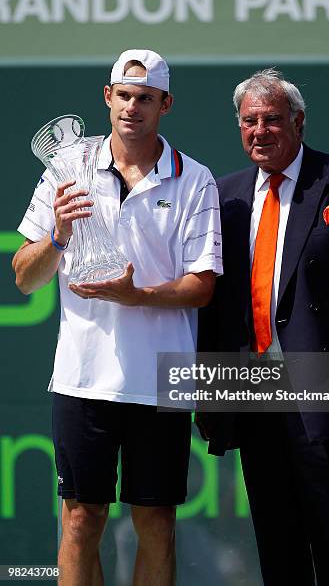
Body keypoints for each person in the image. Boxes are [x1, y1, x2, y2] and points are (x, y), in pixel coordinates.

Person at [13, 48, 222, 586]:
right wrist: (58, 236)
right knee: (82, 519)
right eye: (124, 96)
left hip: (161, 381)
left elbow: (202, 287)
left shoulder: (195, 179)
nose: (133, 107)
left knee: (156, 521)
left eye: (145, 99)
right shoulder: (66, 169)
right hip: (83, 378)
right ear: (108, 98)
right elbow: (25, 275)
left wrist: (136, 296)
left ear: (165, 105)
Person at [197, 68, 329, 586]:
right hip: (256, 394)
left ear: (299, 122)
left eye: (271, 120)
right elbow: (215, 308)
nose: (259, 131)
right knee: (278, 548)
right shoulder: (228, 195)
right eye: (249, 122)